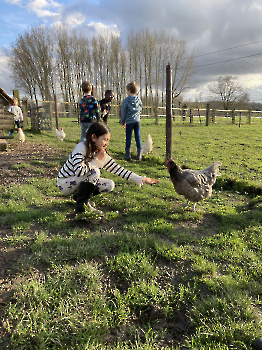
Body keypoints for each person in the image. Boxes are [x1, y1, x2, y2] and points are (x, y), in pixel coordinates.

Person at [57, 121, 159, 218]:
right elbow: (79, 171)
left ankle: (80, 197)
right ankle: (81, 208)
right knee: (95, 172)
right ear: (94, 137)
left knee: (109, 185)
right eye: (105, 139)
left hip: (77, 182)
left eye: (108, 140)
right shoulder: (81, 148)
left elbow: (119, 170)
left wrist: (141, 179)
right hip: (65, 183)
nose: (107, 143)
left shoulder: (100, 153)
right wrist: (96, 161)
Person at [120, 82, 142, 161]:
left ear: (129, 91)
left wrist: (122, 121)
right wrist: (137, 115)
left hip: (129, 121)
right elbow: (140, 108)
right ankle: (139, 154)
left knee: (128, 137)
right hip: (137, 121)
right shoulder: (138, 99)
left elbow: (123, 112)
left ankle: (128, 155)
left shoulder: (126, 100)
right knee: (137, 137)